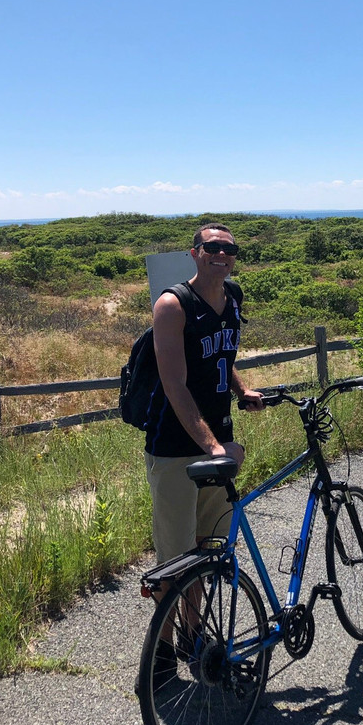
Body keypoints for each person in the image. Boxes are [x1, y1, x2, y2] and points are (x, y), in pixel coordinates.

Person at [144, 222, 265, 565]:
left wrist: (241, 389)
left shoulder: (233, 297)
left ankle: (195, 622)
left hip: (219, 439)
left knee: (209, 547)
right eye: (212, 248)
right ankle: (167, 622)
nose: (222, 255)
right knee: (175, 560)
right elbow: (174, 384)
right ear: (195, 254)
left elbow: (221, 356)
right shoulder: (173, 304)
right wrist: (213, 448)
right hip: (175, 447)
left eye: (229, 250)